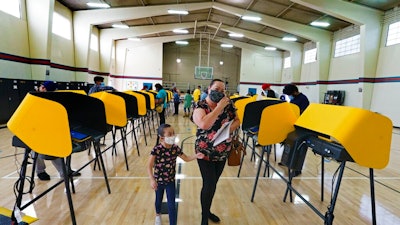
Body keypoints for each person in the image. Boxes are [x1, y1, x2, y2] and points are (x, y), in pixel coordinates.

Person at [191, 79, 240, 225]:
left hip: (223, 151)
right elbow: (204, 124)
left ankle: (207, 210)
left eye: (222, 90)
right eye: (217, 89)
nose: (220, 93)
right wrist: (219, 107)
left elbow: (237, 120)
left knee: (213, 184)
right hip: (204, 152)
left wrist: (228, 130)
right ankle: (204, 217)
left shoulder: (228, 104)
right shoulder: (200, 105)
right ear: (209, 88)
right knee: (209, 183)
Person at [147, 124, 204, 225]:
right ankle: (158, 215)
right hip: (158, 182)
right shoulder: (157, 150)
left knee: (172, 204)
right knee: (158, 200)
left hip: (170, 181)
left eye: (173, 133)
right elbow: (149, 166)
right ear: (162, 138)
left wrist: (196, 156)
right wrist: (152, 180)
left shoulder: (175, 148)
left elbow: (185, 158)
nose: (173, 136)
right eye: (170, 134)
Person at [35, 81, 81, 180]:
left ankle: (64, 171)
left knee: (55, 150)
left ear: (44, 89)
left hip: (49, 128)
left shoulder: (52, 99)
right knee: (36, 152)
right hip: (34, 129)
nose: (40, 88)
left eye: (42, 86)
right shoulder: (33, 98)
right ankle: (40, 172)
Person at [279, 83, 310, 176]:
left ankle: (297, 169)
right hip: (292, 125)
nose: (289, 96)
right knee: (288, 144)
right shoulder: (294, 99)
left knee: (299, 148)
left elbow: (304, 113)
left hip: (301, 126)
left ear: (295, 92)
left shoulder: (303, 99)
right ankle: (286, 161)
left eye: (290, 94)